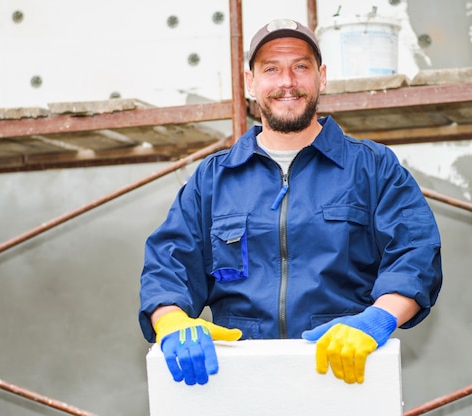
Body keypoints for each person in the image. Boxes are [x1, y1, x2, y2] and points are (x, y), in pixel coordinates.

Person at [138, 18, 442, 386]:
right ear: (250, 82)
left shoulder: (372, 167)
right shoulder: (214, 179)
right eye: (271, 69)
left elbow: (415, 252)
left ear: (321, 77)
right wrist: (171, 319)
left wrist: (377, 319)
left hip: (343, 369)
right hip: (237, 378)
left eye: (301, 67)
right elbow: (168, 263)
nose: (287, 82)